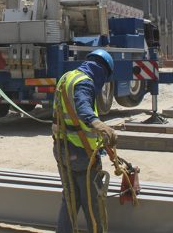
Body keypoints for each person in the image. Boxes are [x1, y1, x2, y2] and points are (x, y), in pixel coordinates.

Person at [53, 49, 118, 233]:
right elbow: (83, 109)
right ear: (102, 71)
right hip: (82, 155)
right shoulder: (84, 83)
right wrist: (101, 126)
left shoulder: (67, 77)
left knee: (70, 200)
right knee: (93, 204)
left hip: (61, 149)